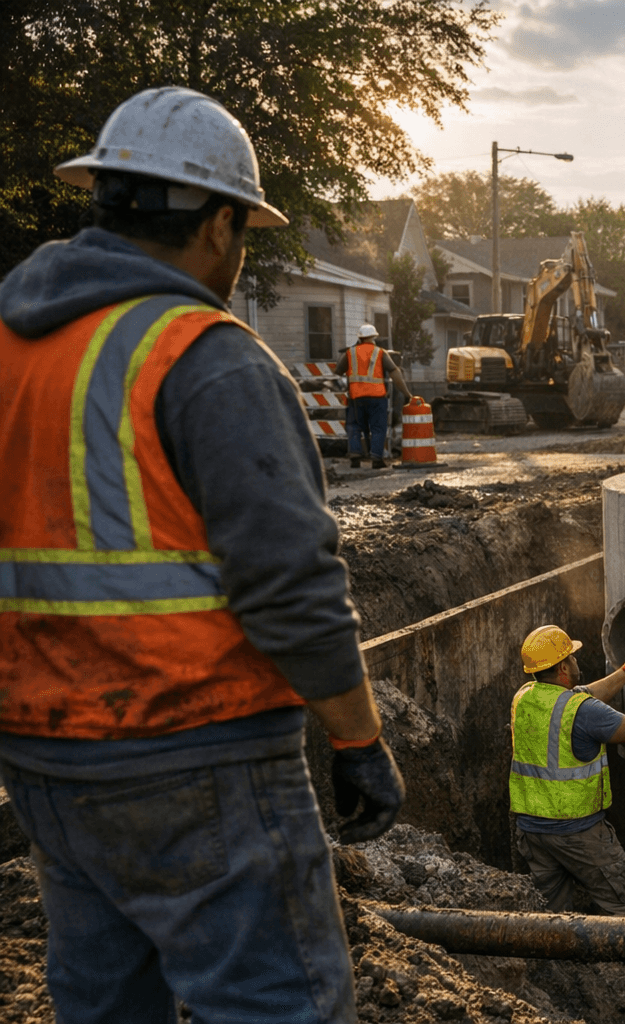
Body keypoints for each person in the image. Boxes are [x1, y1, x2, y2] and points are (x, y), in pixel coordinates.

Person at [0, 86, 405, 1023]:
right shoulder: (205, 356)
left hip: (46, 758)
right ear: (219, 224)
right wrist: (357, 740)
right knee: (275, 1004)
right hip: (195, 747)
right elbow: (291, 586)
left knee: (103, 1006)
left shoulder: (17, 349)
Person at [510, 625, 625, 916]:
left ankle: (555, 961)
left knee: (549, 915)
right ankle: (623, 961)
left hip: (532, 833)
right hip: (578, 834)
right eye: (573, 658)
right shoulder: (583, 711)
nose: (577, 662)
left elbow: (587, 693)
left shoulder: (525, 696)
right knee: (623, 905)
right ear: (564, 667)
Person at [340, 323, 415, 469]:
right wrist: (407, 394)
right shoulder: (380, 353)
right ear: (374, 337)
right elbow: (394, 372)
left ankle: (355, 456)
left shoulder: (350, 353)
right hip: (376, 397)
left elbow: (338, 370)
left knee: (354, 426)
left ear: (360, 338)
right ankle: (376, 459)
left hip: (355, 397)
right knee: (378, 428)